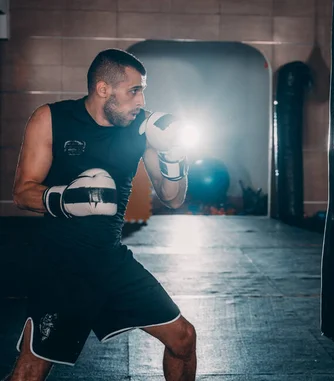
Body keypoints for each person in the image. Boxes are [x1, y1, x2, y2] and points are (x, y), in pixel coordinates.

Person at [5, 49, 197, 380]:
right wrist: (65, 199)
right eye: (134, 90)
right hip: (59, 266)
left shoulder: (142, 128)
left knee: (184, 339)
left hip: (111, 262)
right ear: (103, 89)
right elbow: (22, 192)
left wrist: (174, 160)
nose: (141, 100)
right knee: (31, 370)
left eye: (143, 90)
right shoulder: (50, 118)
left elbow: (173, 198)